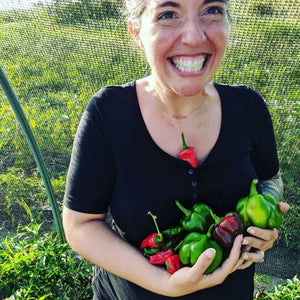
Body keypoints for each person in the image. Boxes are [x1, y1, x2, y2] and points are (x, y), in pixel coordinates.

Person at [62, 0, 290, 299]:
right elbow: (80, 224)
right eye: (168, 14)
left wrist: (265, 216)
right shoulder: (109, 113)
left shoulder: (248, 108)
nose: (194, 37)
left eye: (211, 10)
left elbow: (270, 180)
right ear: (137, 32)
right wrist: (164, 284)